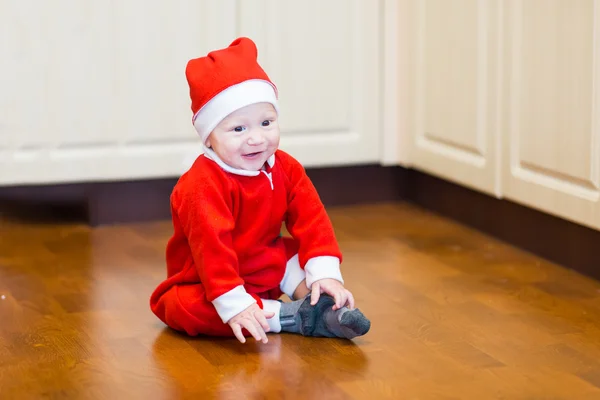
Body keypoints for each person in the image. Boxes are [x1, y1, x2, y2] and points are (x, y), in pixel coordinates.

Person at [149, 37, 371, 344]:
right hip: (210, 278)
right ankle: (285, 316)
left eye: (266, 122)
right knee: (180, 306)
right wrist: (234, 303)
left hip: (266, 264)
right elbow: (211, 250)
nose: (256, 139)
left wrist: (324, 273)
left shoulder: (284, 166)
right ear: (208, 138)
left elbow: (312, 218)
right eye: (239, 129)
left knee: (301, 257)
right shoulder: (201, 185)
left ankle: (322, 301)